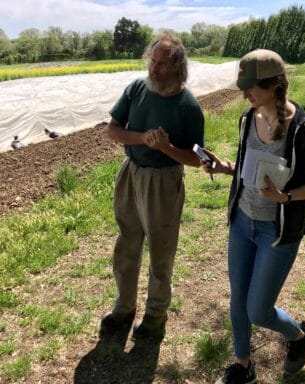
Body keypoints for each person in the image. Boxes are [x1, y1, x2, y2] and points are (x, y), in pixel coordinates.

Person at [201, 49, 305, 383]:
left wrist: (284, 197)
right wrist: (224, 167)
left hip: (278, 231)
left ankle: (299, 335)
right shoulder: (247, 118)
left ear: (274, 85)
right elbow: (247, 169)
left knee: (258, 310)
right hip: (242, 223)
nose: (245, 93)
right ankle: (243, 366)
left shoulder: (304, 131)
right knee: (238, 299)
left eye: (251, 86)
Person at [100, 31, 204, 341]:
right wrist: (142, 138)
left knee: (161, 250)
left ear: (177, 67)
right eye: (152, 61)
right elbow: (113, 130)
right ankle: (124, 307)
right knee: (127, 242)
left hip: (163, 182)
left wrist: (167, 147)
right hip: (130, 173)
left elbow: (197, 158)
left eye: (161, 64)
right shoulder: (136, 89)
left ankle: (155, 316)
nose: (153, 69)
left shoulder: (188, 106)